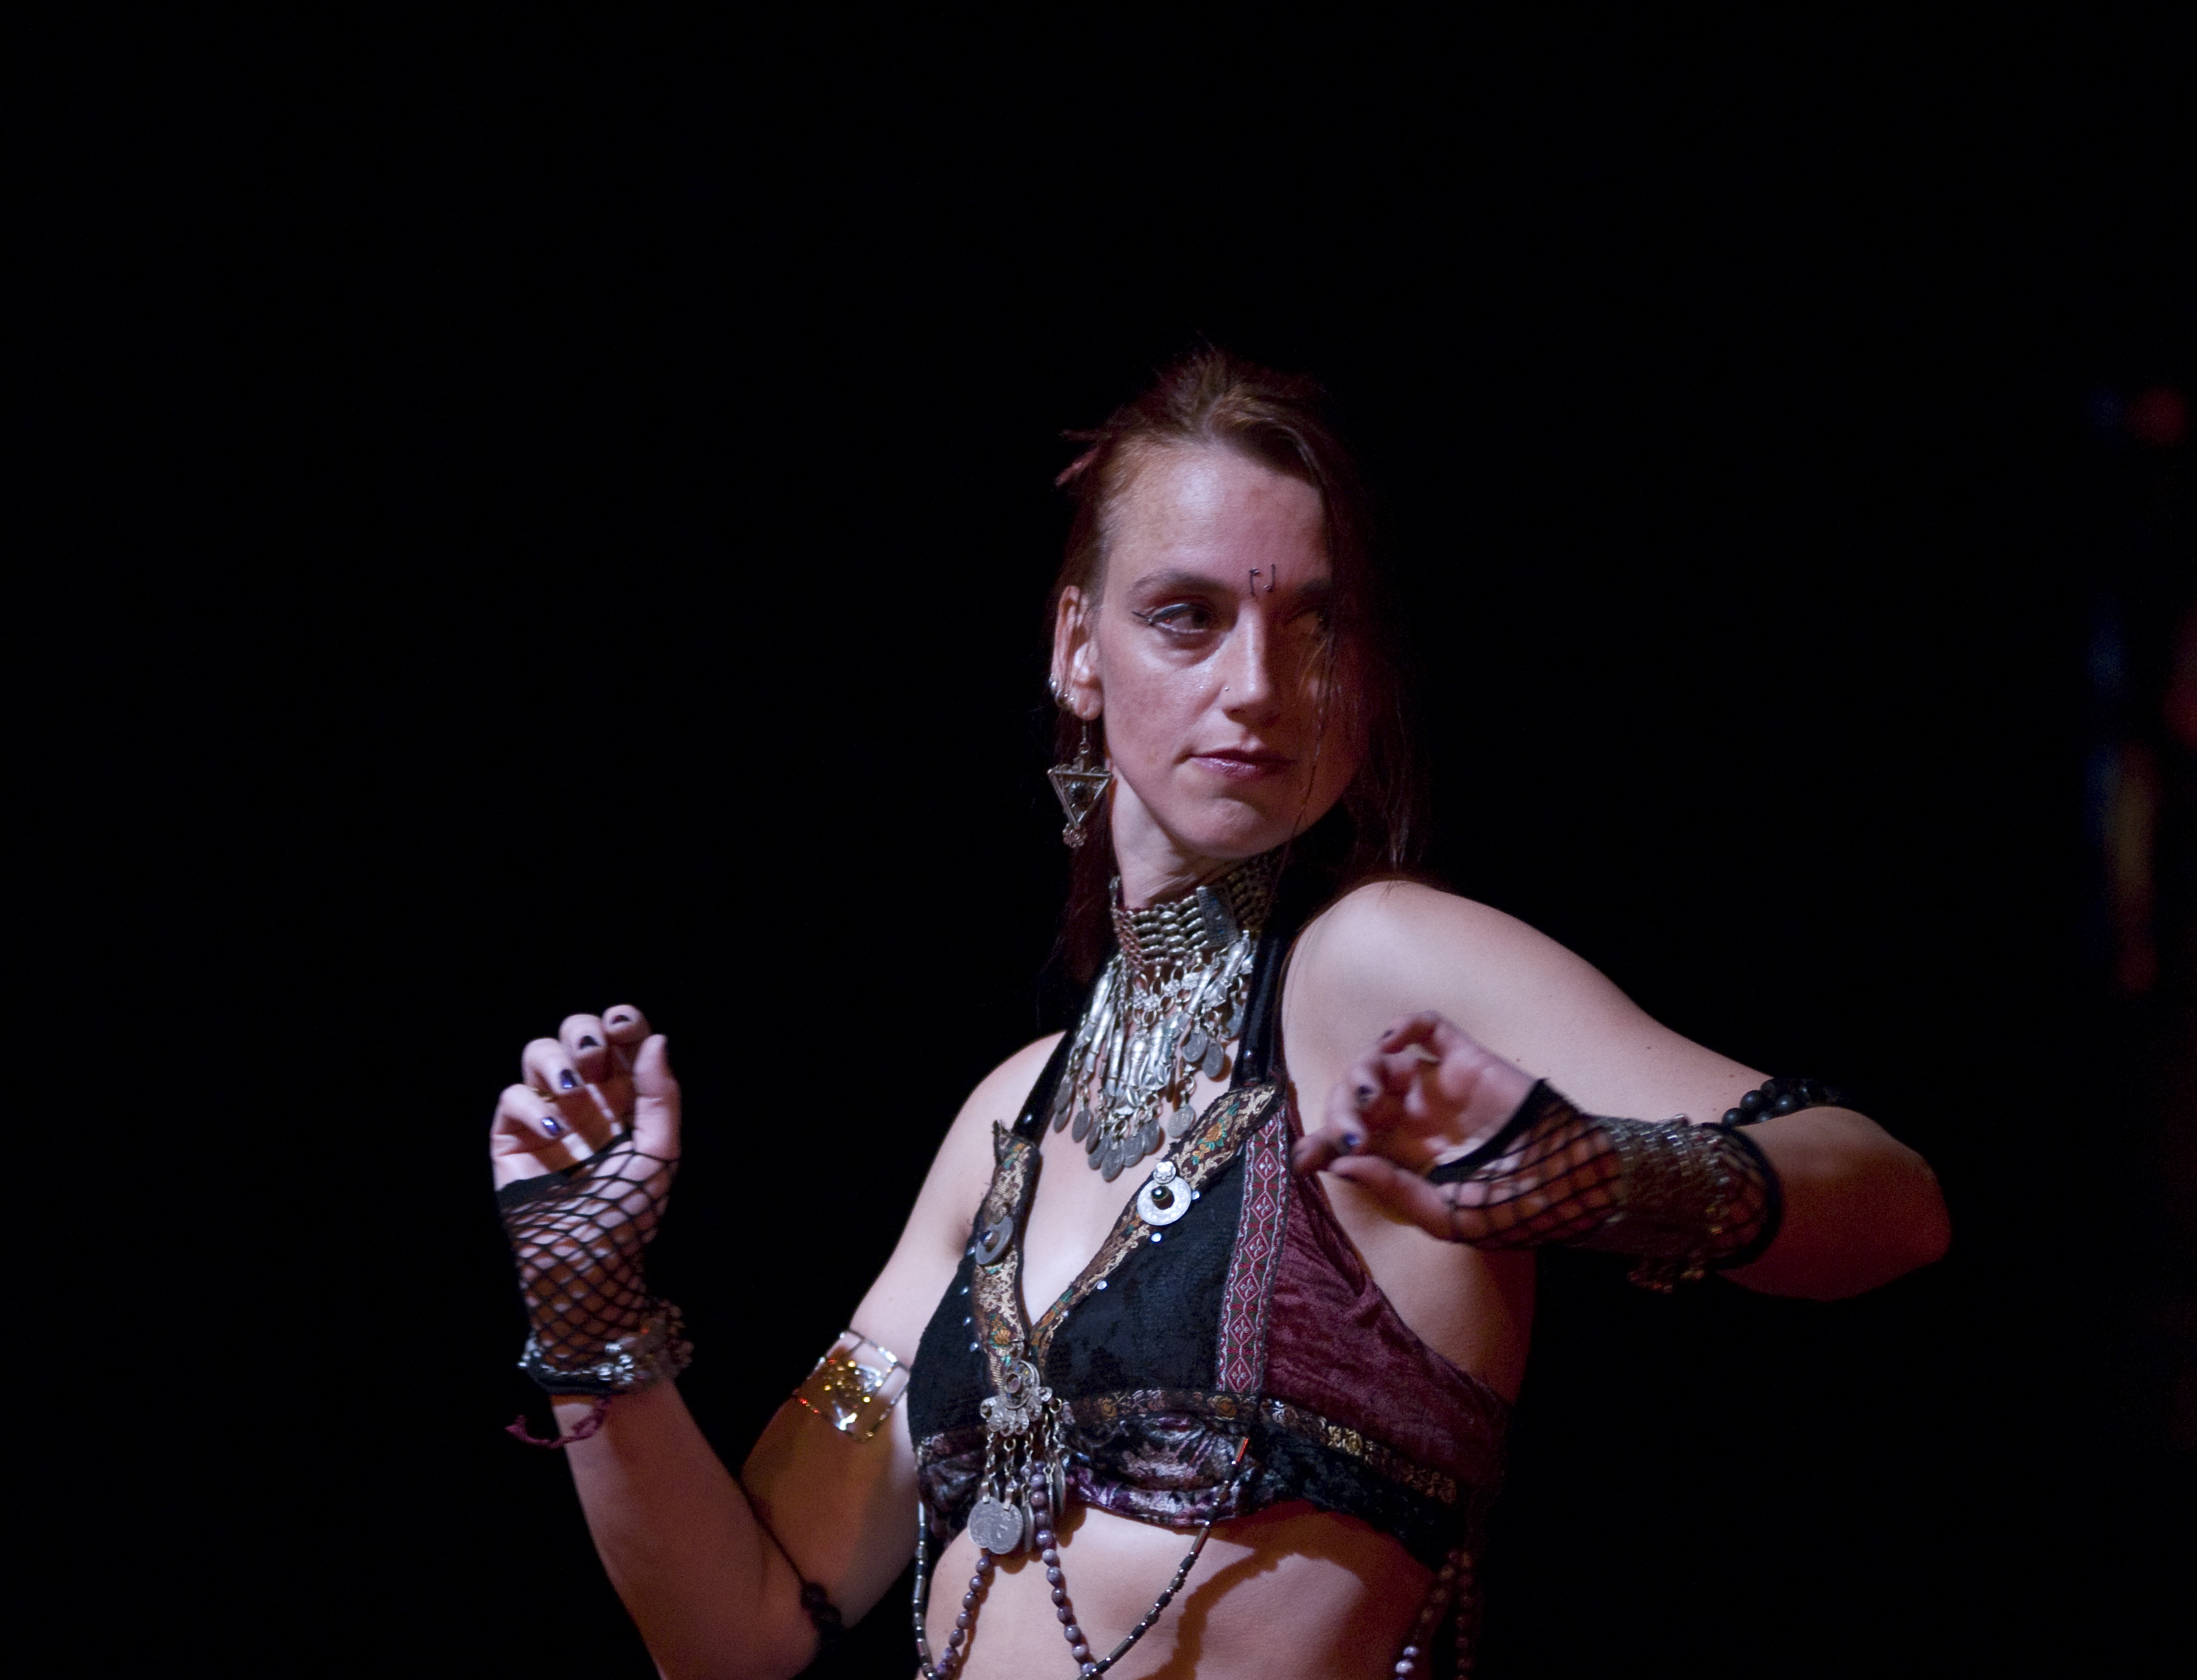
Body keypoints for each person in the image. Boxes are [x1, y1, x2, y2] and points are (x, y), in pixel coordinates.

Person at [488, 348, 1952, 1679]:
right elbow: (738, 1629)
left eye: (1315, 628)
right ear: (1077, 648)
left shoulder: (1378, 968)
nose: (1256, 687)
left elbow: (1889, 1196)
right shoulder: (1006, 1121)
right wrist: (585, 1309)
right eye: (1185, 617)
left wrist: (1612, 1177)